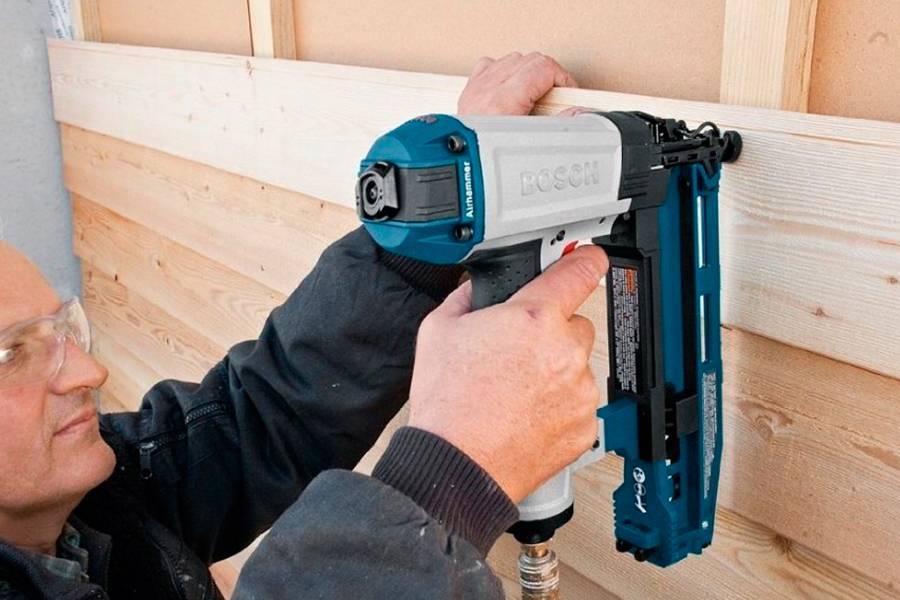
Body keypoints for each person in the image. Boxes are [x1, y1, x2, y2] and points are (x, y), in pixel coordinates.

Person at [0, 53, 606, 600]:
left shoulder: (93, 503)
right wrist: (448, 481)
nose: (90, 372)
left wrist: (437, 212)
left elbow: (261, 421)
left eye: (61, 332)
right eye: (11, 355)